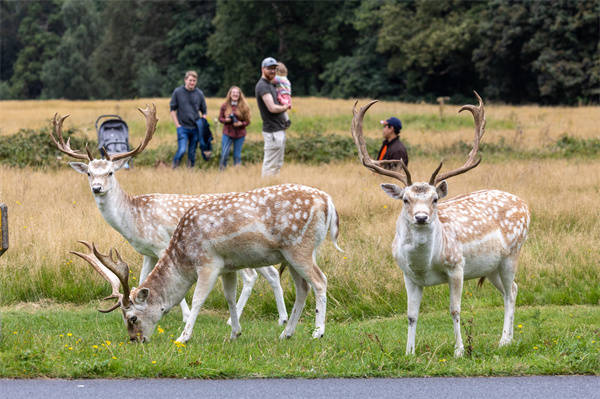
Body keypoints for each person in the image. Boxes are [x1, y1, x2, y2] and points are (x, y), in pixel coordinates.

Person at [255, 57, 292, 177]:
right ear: (262, 69)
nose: (273, 71)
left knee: (277, 165)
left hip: (278, 130)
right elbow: (272, 108)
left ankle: (273, 191)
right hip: (273, 132)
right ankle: (265, 191)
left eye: (274, 69)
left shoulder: (271, 84)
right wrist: (285, 107)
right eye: (270, 68)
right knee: (270, 165)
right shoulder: (263, 86)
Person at [169, 70, 207, 168]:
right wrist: (177, 125)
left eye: (194, 81)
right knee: (182, 150)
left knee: (192, 153)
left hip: (195, 128)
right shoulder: (178, 92)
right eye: (190, 80)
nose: (192, 83)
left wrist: (202, 124)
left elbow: (204, 112)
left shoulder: (199, 93)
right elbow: (172, 110)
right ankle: (174, 167)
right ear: (185, 80)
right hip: (183, 128)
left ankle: (190, 172)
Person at [218, 86, 251, 170]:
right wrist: (226, 120)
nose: (235, 94)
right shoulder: (224, 106)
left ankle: (237, 173)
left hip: (240, 134)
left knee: (237, 156)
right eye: (233, 92)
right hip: (227, 133)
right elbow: (220, 119)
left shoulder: (244, 106)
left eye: (237, 93)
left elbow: (248, 121)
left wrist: (241, 123)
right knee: (224, 154)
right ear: (230, 94)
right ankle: (222, 171)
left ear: (240, 95)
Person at [274, 62, 292, 128]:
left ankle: (286, 120)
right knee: (283, 109)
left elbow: (272, 79)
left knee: (281, 108)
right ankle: (286, 120)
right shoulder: (286, 78)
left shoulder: (279, 78)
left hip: (283, 95)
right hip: (287, 96)